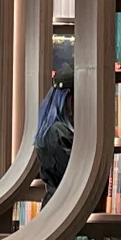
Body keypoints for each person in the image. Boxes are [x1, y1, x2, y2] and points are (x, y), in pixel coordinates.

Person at [34, 65, 75, 193]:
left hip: (55, 198)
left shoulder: (48, 128)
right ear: (68, 97)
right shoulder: (57, 132)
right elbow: (69, 174)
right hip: (65, 197)